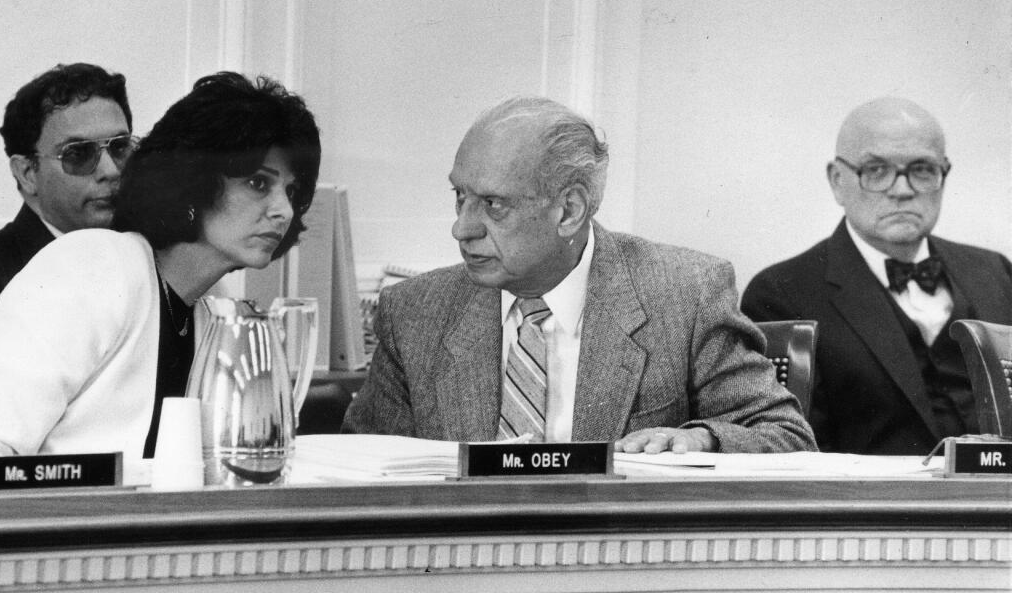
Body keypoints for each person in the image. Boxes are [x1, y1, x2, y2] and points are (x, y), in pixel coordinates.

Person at [343, 96, 814, 453]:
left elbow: (786, 436)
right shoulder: (415, 313)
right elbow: (360, 465)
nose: (461, 228)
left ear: (568, 211)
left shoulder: (684, 294)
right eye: (459, 197)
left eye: (492, 205)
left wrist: (702, 440)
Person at [0, 72, 320, 465]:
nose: (283, 210)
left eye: (290, 190)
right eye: (258, 183)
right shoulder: (92, 265)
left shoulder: (212, 305)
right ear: (193, 180)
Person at [742, 97, 1012, 455]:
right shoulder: (780, 293)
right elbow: (791, 448)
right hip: (868, 507)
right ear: (837, 181)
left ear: (943, 175)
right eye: (876, 170)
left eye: (922, 169)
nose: (902, 190)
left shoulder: (997, 273)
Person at [0, 63, 134, 301]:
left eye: (119, 147)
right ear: (27, 173)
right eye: (78, 154)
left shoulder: (150, 256)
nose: (111, 170)